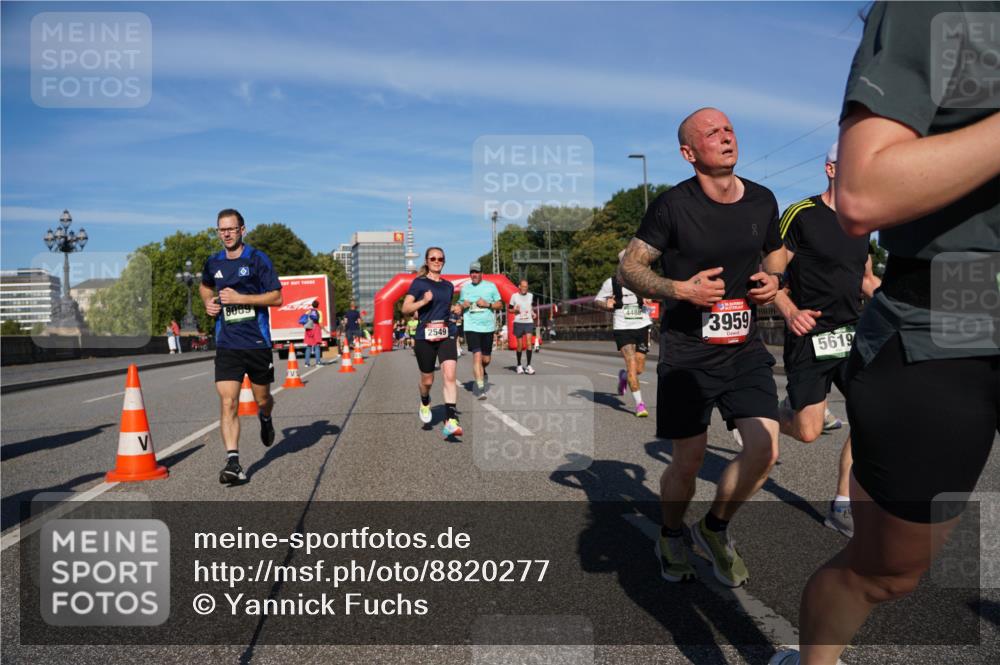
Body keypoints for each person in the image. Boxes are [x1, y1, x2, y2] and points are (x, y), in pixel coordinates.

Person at [770, 4, 1000, 664]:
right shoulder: (940, 11)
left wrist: (864, 289)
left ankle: (841, 486)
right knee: (888, 569)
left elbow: (862, 267)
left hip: (862, 315)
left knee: (833, 428)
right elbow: (863, 198)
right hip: (942, 320)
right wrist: (784, 303)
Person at [620, 107, 785, 587]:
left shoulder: (762, 199)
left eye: (730, 128)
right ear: (689, 152)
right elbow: (630, 269)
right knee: (688, 460)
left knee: (764, 450)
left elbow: (775, 251)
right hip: (688, 354)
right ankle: (671, 533)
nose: (726, 137)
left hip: (745, 347)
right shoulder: (672, 206)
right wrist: (682, 290)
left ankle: (714, 527)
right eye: (712, 133)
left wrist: (773, 280)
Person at [773, 142, 881, 538]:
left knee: (869, 416)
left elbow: (867, 279)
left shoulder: (861, 220)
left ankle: (842, 504)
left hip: (851, 334)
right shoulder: (801, 214)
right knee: (807, 432)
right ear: (831, 170)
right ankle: (771, 415)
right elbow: (770, 275)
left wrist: (911, 303)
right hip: (809, 335)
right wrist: (790, 310)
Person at [200, 208, 283, 484]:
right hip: (227, 343)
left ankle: (266, 417)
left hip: (257, 342)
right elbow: (204, 286)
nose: (226, 234)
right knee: (228, 402)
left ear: (242, 230)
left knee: (262, 399)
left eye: (231, 229)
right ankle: (233, 462)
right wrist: (208, 302)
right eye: (221, 229)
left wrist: (240, 298)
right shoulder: (213, 262)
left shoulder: (258, 259)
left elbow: (277, 298)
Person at [401, 247, 464, 439]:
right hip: (424, 336)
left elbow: (444, 308)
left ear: (444, 261)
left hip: (446, 333)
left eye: (440, 258)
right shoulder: (419, 284)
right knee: (427, 380)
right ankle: (425, 400)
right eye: (433, 258)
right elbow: (405, 308)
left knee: (450, 375)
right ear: (427, 261)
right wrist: (423, 302)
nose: (437, 261)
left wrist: (456, 309)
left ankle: (451, 420)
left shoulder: (448, 286)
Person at [596, 250, 654, 417]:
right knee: (631, 364)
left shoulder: (643, 279)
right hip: (622, 327)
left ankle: (624, 377)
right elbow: (597, 300)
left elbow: (658, 291)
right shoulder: (611, 283)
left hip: (642, 325)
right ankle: (640, 405)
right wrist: (606, 303)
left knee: (640, 367)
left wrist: (651, 296)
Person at [458, 261, 503, 400]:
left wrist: (488, 304)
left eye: (477, 272)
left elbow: (500, 304)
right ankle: (480, 388)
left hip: (487, 327)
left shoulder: (491, 287)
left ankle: (483, 372)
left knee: (486, 359)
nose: (474, 275)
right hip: (471, 327)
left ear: (481, 273)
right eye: (472, 272)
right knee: (477, 356)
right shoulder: (465, 288)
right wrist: (462, 305)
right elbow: (459, 305)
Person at [508, 279, 536, 374]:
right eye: (523, 286)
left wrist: (533, 313)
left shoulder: (530, 296)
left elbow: (530, 307)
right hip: (518, 322)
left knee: (529, 343)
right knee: (520, 345)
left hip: (528, 322)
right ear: (519, 286)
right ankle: (519, 365)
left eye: (526, 287)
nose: (524, 288)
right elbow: (509, 310)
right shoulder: (514, 296)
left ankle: (528, 365)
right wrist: (515, 311)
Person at [300, 300, 324, 367]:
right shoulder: (319, 312)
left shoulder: (308, 312)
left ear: (312, 305)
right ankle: (318, 362)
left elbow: (304, 321)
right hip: (316, 328)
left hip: (309, 329)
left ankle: (306, 363)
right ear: (318, 305)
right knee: (317, 346)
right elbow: (320, 323)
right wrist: (325, 330)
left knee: (308, 346)